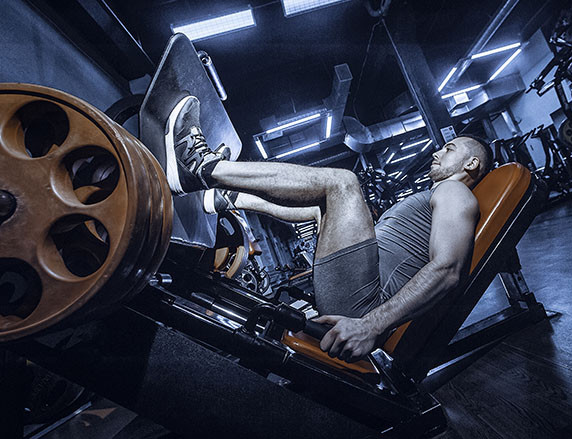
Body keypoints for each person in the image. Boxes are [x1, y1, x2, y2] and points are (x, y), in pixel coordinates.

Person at [164, 95, 493, 363]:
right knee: (322, 207)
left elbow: (449, 269)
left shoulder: (456, 192)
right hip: (360, 291)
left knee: (343, 183)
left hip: (362, 306)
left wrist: (370, 325)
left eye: (449, 149)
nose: (437, 151)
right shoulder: (439, 193)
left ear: (471, 164)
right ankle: (228, 196)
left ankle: (201, 167)